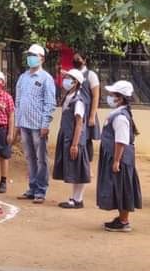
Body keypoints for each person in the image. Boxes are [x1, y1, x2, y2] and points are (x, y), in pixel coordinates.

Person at [97, 81, 142, 232]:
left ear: (121, 98)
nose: (109, 97)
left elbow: (121, 141)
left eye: (112, 95)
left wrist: (116, 160)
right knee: (118, 186)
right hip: (117, 155)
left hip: (120, 157)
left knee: (122, 187)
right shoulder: (119, 113)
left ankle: (123, 221)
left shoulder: (120, 117)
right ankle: (122, 218)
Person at [15, 43, 56, 204]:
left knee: (41, 159)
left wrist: (45, 124)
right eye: (29, 55)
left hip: (38, 125)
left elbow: (50, 103)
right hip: (24, 124)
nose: (30, 58)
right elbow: (18, 100)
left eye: (34, 55)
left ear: (42, 59)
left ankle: (40, 190)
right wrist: (18, 122)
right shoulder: (23, 77)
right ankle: (32, 188)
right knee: (29, 157)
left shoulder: (46, 78)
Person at [52, 69, 91, 209]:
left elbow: (79, 123)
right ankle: (75, 198)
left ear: (76, 82)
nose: (66, 80)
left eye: (69, 78)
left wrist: (75, 144)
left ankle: (78, 199)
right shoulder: (68, 97)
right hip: (68, 137)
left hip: (74, 139)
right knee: (75, 169)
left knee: (78, 169)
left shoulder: (78, 101)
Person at [74, 52, 101, 162]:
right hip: (75, 110)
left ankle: (87, 164)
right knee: (75, 136)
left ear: (84, 60)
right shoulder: (72, 74)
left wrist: (92, 116)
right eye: (74, 59)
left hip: (87, 111)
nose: (75, 61)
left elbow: (95, 96)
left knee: (86, 138)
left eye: (78, 59)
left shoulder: (91, 75)